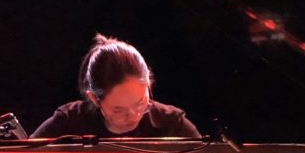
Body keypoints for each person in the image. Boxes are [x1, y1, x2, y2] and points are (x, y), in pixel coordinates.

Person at [32, 34, 201, 138]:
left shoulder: (172, 124)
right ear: (94, 99)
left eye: (141, 103)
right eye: (118, 111)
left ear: (148, 83)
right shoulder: (68, 123)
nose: (134, 116)